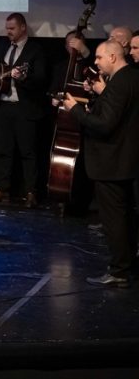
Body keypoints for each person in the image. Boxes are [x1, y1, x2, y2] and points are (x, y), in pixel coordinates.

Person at [60, 41, 139, 287]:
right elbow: (120, 113)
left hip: (111, 162)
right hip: (125, 160)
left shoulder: (120, 82)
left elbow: (105, 125)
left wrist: (75, 110)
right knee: (125, 216)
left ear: (113, 57)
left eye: (99, 57)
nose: (95, 62)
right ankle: (127, 266)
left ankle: (119, 271)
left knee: (114, 219)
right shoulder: (132, 77)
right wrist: (101, 95)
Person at [0, 13, 49, 208]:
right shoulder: (3, 45)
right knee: (4, 150)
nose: (8, 32)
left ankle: (31, 192)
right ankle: (1, 189)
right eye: (7, 28)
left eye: (12, 28)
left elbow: (41, 79)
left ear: (23, 28)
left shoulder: (36, 50)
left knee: (28, 152)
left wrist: (23, 77)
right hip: (3, 106)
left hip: (25, 108)